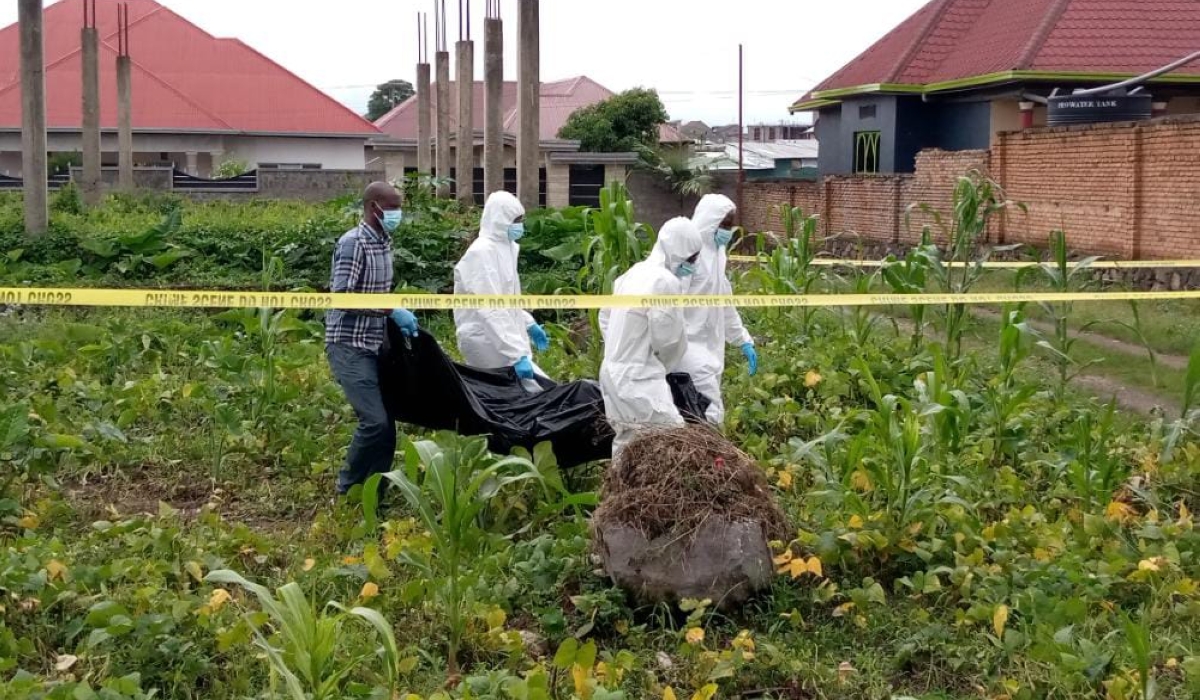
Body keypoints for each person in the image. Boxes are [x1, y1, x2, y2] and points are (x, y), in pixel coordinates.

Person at [325, 181, 419, 496]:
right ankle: (346, 487)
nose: (397, 213)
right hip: (349, 344)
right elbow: (342, 297)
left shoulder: (383, 242)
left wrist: (391, 316)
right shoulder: (354, 243)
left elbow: (378, 294)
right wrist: (390, 310)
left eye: (399, 206)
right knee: (375, 422)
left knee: (387, 427)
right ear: (373, 206)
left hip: (375, 343)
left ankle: (374, 494)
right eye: (392, 207)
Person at [599, 217, 703, 457]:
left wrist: (622, 347)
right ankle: (661, 494)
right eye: (691, 259)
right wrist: (662, 363)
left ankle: (619, 492)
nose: (692, 266)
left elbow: (605, 315)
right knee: (673, 442)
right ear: (679, 252)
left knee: (627, 443)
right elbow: (667, 340)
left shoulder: (634, 273)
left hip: (612, 373)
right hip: (639, 378)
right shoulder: (665, 282)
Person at [453, 191, 550, 382]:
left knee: (529, 391)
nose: (519, 225)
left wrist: (528, 323)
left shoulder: (508, 248)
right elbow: (490, 309)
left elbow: (507, 298)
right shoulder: (481, 253)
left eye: (520, 219)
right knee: (512, 394)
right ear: (500, 220)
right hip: (483, 337)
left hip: (503, 337)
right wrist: (517, 353)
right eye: (515, 220)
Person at [679, 194, 757, 423]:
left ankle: (698, 452)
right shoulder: (688, 254)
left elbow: (724, 302)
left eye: (730, 224)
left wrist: (742, 339)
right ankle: (715, 453)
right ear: (709, 221)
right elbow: (668, 302)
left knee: (693, 407)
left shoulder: (717, 254)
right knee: (710, 410)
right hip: (685, 342)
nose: (727, 230)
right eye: (723, 224)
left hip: (707, 342)